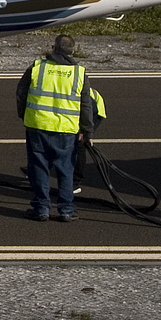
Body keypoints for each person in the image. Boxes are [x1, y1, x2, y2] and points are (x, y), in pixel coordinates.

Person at [16, 34, 96, 221]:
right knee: (66, 171)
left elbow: (21, 93)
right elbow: (86, 105)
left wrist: (23, 115)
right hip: (66, 130)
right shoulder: (79, 73)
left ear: (53, 48)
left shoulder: (37, 68)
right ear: (73, 51)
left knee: (39, 168)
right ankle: (66, 210)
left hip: (38, 125)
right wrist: (88, 131)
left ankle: (41, 209)